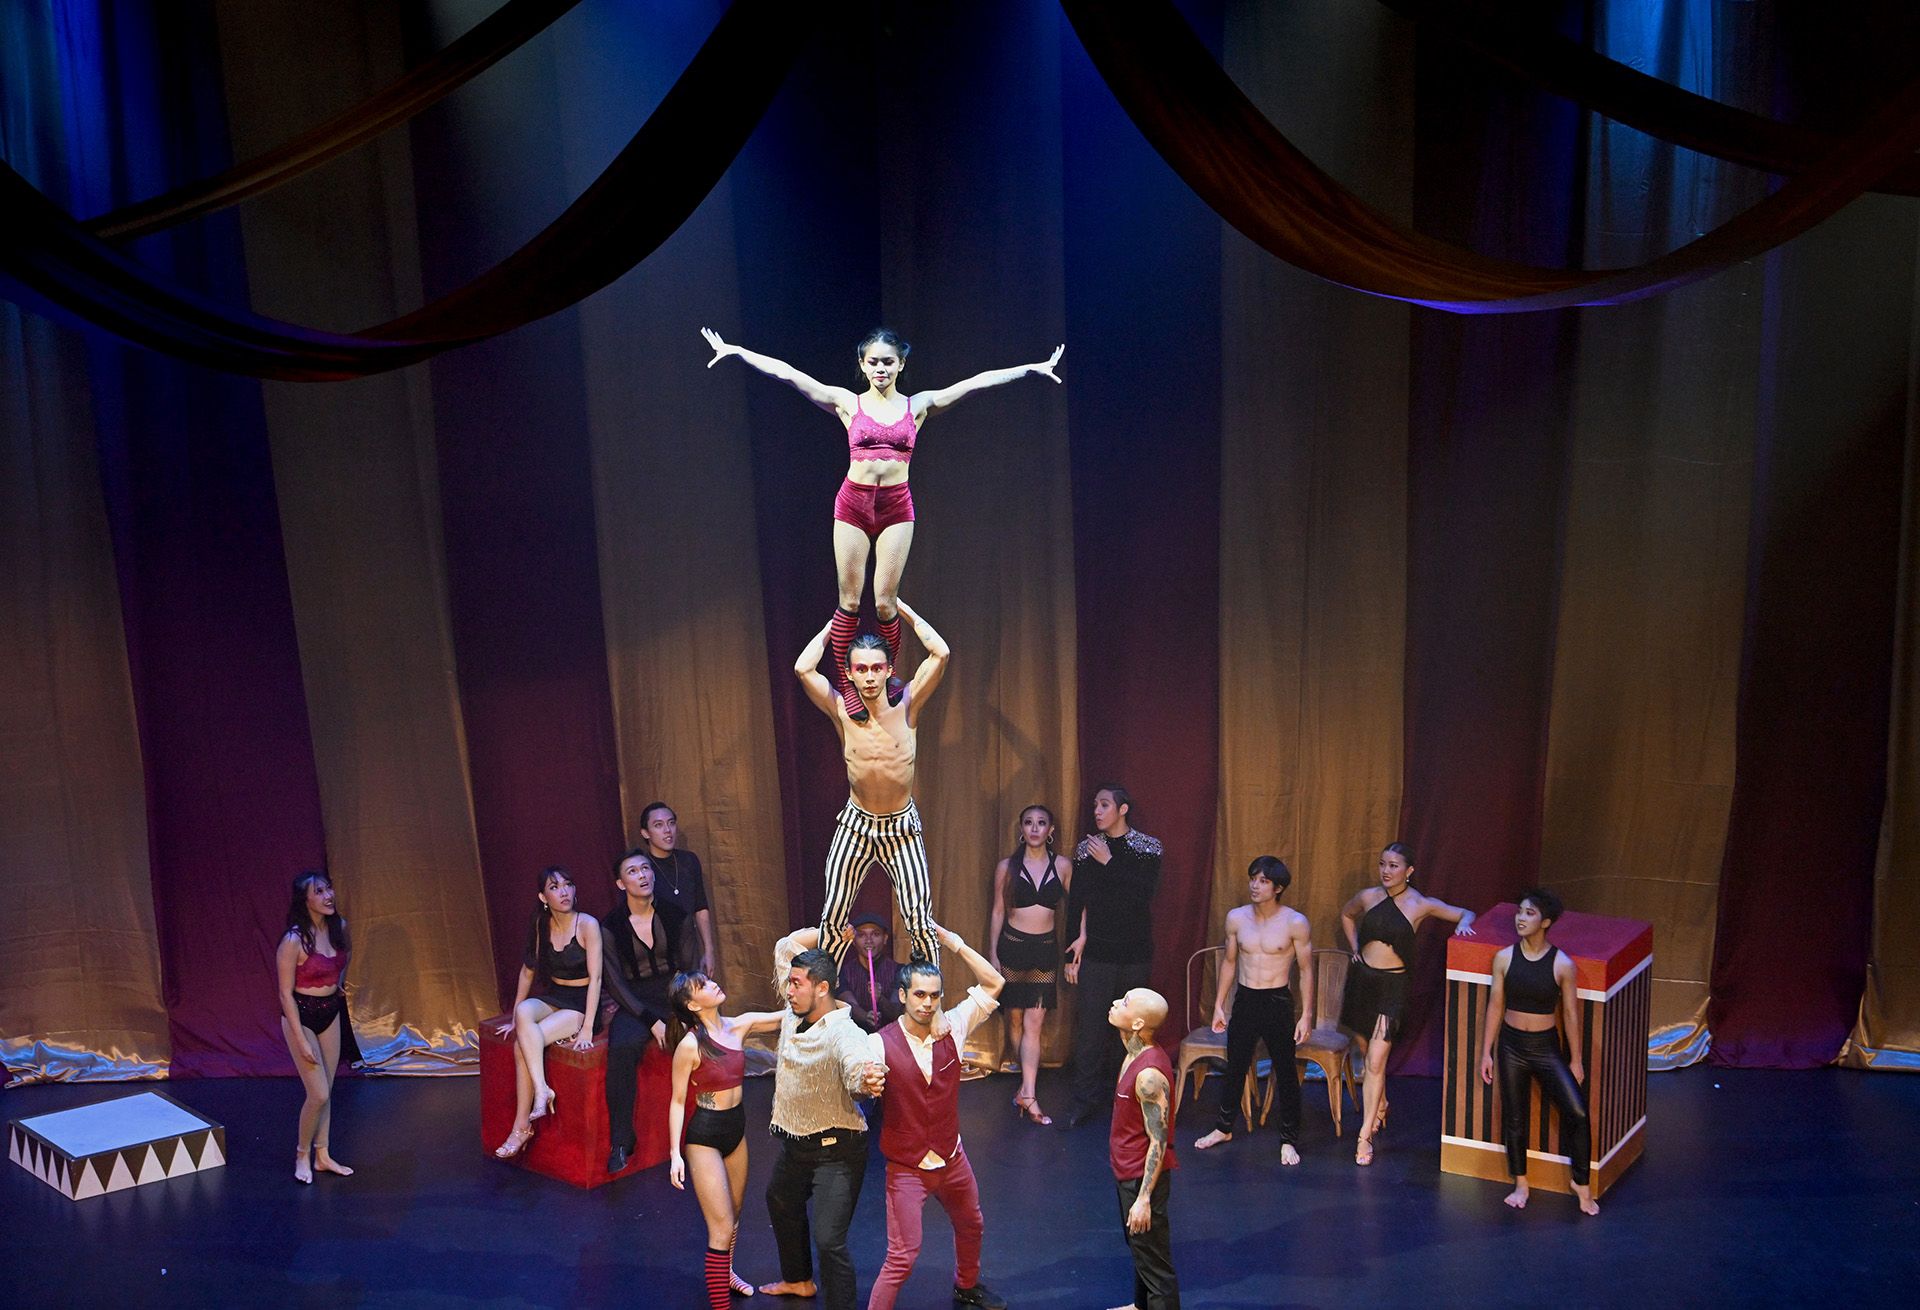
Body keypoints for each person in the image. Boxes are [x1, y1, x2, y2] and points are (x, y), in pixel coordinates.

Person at [702, 325, 1063, 720]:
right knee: (851, 601)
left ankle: (890, 675)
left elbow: (973, 384)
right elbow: (791, 375)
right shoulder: (847, 403)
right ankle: (846, 680)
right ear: (862, 364)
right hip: (853, 504)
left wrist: (1031, 368)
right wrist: (737, 351)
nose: (880, 368)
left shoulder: (918, 405)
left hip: (896, 507)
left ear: (901, 364)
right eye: (872, 362)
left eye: (888, 362)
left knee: (886, 600)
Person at [794, 597, 950, 969]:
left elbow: (940, 653)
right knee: (832, 917)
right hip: (857, 824)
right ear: (849, 673)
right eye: (860, 669)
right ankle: (822, 1006)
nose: (868, 676)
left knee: (918, 921)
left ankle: (929, 1001)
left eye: (875, 668)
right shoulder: (842, 711)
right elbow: (803, 668)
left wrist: (900, 608)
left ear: (888, 669)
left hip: (901, 827)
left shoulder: (908, 703)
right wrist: (839, 621)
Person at [865, 924, 1009, 1310]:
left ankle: (967, 1285)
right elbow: (858, 1080)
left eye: (934, 996)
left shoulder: (954, 1027)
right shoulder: (879, 1043)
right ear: (902, 996)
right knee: (902, 1257)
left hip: (952, 1156)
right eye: (919, 995)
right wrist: (865, 1081)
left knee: (972, 1224)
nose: (926, 1003)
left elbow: (994, 982)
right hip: (908, 1166)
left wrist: (954, 941)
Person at [760, 928, 888, 1308]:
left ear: (822, 988)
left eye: (796, 983)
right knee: (780, 1200)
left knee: (830, 1240)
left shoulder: (843, 1032)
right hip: (795, 1144)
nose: (788, 989)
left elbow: (857, 1063)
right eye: (790, 981)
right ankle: (799, 1280)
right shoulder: (791, 1010)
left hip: (837, 1151)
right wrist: (831, 931)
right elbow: (785, 944)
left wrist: (867, 1078)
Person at [1338, 842, 1477, 1166]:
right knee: (1363, 1050)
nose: (1387, 871)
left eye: (1394, 865)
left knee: (1375, 1062)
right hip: (1363, 982)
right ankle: (1381, 1103)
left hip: (1393, 988)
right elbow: (1346, 914)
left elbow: (1465, 913)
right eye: (1383, 864)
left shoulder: (1420, 904)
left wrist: (1462, 926)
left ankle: (1364, 1137)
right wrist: (1355, 946)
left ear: (1409, 871)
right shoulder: (1368, 897)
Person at [667, 970, 790, 1308]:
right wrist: (675, 1154)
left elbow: (788, 1014)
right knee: (719, 1227)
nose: (713, 983)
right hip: (704, 1136)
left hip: (736, 1129)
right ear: (693, 1004)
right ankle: (720, 1302)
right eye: (703, 986)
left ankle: (728, 1271)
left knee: (734, 1213)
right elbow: (678, 1101)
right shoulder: (690, 1045)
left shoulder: (740, 1025)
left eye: (708, 980)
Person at [1478, 889, 1598, 1216]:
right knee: (1515, 1118)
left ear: (1545, 922)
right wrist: (1486, 1052)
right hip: (1511, 1045)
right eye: (1519, 911)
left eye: (1529, 913)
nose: (1520, 918)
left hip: (1546, 1047)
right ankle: (1521, 1183)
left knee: (1578, 1113)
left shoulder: (1562, 964)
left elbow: (1571, 1014)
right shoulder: (1504, 958)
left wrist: (1575, 1059)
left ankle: (1581, 1184)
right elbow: (1495, 1005)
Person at [1193, 856, 1313, 1163]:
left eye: (1263, 881)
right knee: (1235, 1066)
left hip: (1277, 1001)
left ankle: (1288, 1139)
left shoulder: (1294, 922)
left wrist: (1307, 1015)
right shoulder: (1236, 918)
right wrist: (1219, 1005)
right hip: (1246, 999)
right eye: (1253, 879)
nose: (1255, 886)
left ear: (1278, 888)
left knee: (1285, 1070)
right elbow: (1230, 963)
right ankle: (1223, 1128)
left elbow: (1306, 970)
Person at [1062, 785, 1162, 1128]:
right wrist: (1071, 949)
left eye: (1104, 805)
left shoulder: (1147, 847)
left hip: (1134, 951)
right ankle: (1085, 1100)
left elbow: (1143, 894)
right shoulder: (1086, 850)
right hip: (1098, 954)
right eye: (1095, 805)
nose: (1097, 811)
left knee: (1133, 1032)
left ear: (1122, 809)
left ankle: (1129, 1100)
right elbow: (1078, 901)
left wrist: (1111, 861)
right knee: (1090, 1029)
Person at [492, 866, 603, 1160]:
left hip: (580, 1002)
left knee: (521, 1046)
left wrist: (588, 1027)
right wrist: (515, 1014)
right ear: (543, 896)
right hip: (555, 995)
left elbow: (597, 979)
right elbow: (528, 970)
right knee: (527, 1010)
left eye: (568, 885)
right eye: (555, 887)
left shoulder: (587, 924)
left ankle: (520, 1127)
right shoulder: (542, 924)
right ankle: (542, 1090)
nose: (564, 892)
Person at [601, 850, 698, 1173]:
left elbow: (688, 969)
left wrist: (682, 1011)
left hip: (672, 993)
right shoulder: (611, 925)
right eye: (633, 871)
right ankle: (621, 1141)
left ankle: (704, 1131)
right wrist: (650, 1021)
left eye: (646, 868)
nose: (642, 875)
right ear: (620, 882)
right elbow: (615, 983)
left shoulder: (675, 914)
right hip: (635, 1000)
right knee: (623, 1047)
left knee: (697, 1043)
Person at [988, 803, 1071, 1125]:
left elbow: (1077, 907)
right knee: (1015, 1022)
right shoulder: (1007, 867)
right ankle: (1025, 1087)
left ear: (1050, 831)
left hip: (1044, 952)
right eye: (1028, 823)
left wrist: (1080, 939)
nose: (1034, 828)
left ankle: (1030, 1094)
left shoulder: (1062, 865)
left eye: (1041, 823)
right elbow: (997, 910)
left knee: (1034, 1024)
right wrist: (993, 953)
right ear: (1021, 829)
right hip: (1012, 950)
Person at [276, 870, 361, 1184]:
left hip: (330, 1012)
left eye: (329, 889)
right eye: (320, 891)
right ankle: (302, 1153)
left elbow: (345, 957)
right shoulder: (293, 940)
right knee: (319, 1093)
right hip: (301, 1015)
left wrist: (337, 986)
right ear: (306, 900)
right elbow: (284, 993)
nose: (328, 896)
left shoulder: (340, 927)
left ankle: (323, 1155)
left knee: (330, 1089)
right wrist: (300, 1040)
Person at [1107, 988, 1179, 1310]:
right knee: (1140, 1248)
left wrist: (1144, 1198)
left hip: (1140, 1177)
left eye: (1123, 1002)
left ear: (1137, 1023)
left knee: (1154, 1262)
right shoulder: (1132, 1051)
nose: (1114, 1003)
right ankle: (1140, 1306)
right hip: (1127, 1169)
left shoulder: (1149, 1075)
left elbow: (1159, 1140)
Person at [639, 801, 716, 975]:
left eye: (671, 823)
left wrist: (709, 950)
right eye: (658, 825)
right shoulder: (642, 867)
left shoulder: (688, 861)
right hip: (657, 954)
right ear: (645, 833)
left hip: (689, 949)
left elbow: (700, 906)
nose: (667, 830)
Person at [837, 912, 905, 1034]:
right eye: (861, 935)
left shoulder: (899, 971)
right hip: (855, 1037)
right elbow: (847, 1005)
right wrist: (865, 1016)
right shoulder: (843, 972)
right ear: (853, 940)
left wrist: (880, 998)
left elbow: (897, 1013)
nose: (868, 940)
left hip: (891, 1039)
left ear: (885, 938)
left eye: (875, 934)